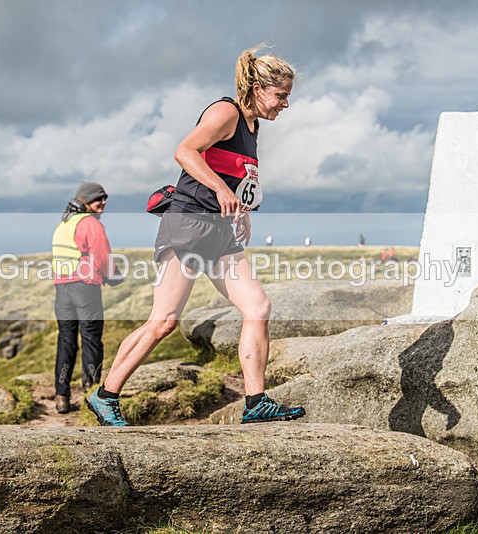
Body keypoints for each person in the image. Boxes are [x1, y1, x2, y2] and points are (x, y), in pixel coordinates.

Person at [85, 45, 305, 426]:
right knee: (164, 321)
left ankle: (255, 402)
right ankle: (106, 396)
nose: (285, 104)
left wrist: (242, 210)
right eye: (280, 95)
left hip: (220, 232)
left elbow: (235, 175)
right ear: (257, 88)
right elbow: (185, 152)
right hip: (187, 223)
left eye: (287, 96)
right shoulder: (226, 113)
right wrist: (220, 190)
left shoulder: (253, 128)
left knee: (258, 307)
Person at [51, 182, 122, 414]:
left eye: (105, 197)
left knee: (66, 340)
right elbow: (101, 257)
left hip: (62, 289)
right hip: (85, 288)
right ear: (84, 201)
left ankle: (62, 396)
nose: (103, 202)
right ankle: (90, 396)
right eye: (97, 198)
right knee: (91, 340)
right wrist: (111, 275)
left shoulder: (63, 224)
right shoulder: (90, 223)